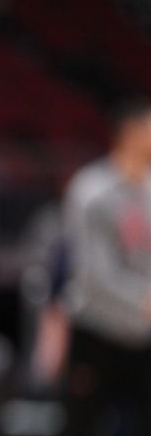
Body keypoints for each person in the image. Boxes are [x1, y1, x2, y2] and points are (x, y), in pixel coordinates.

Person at [61, 99, 151, 435]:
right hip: (95, 333)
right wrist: (144, 300)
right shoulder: (90, 190)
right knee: (81, 425)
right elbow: (91, 275)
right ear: (130, 132)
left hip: (143, 337)